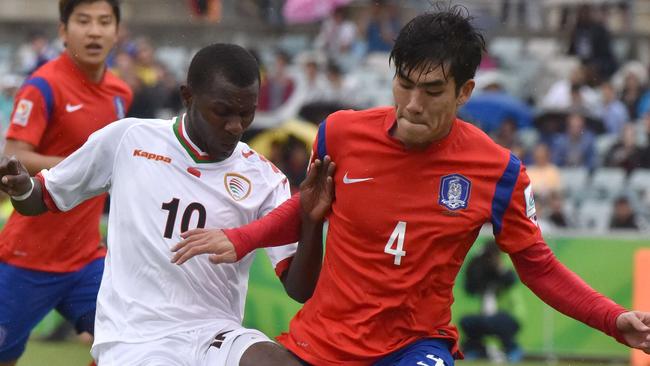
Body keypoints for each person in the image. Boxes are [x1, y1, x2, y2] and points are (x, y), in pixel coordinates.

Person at [172, 6, 650, 365]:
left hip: (414, 347)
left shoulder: (498, 171)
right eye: (404, 84)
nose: (413, 104)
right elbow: (307, 206)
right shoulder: (339, 133)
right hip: (323, 340)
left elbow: (539, 267)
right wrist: (239, 240)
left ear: (465, 91)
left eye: (433, 90)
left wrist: (611, 318)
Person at [0, 43, 333, 365]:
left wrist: (312, 222)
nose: (236, 126)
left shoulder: (264, 178)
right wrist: (21, 187)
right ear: (188, 96)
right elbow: (40, 198)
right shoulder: (128, 139)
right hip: (136, 338)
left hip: (216, 334)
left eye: (247, 113)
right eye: (223, 112)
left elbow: (300, 290)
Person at [0, 1, 131, 365]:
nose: (94, 31)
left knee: (128, 344)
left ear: (116, 31)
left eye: (104, 22)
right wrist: (84, 171)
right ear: (63, 31)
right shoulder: (42, 86)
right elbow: (13, 157)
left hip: (86, 259)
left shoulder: (121, 93)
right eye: (83, 21)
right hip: (26, 259)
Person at [459, 240, 522, 362]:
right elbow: (470, 287)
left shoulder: (505, 267)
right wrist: (475, 262)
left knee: (492, 322)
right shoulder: (484, 273)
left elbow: (510, 279)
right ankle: (476, 349)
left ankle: (512, 348)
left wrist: (498, 265)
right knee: (467, 322)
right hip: (487, 316)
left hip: (510, 315)